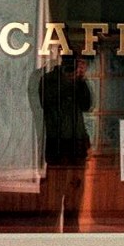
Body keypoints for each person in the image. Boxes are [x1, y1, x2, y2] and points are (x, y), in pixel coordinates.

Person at [39, 56, 92, 231]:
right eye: (70, 63)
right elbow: (47, 101)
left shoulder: (77, 81)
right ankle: (51, 238)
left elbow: (86, 105)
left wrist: (81, 80)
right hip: (58, 143)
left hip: (76, 143)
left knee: (75, 196)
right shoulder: (49, 80)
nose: (72, 67)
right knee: (54, 198)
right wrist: (69, 80)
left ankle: (72, 235)